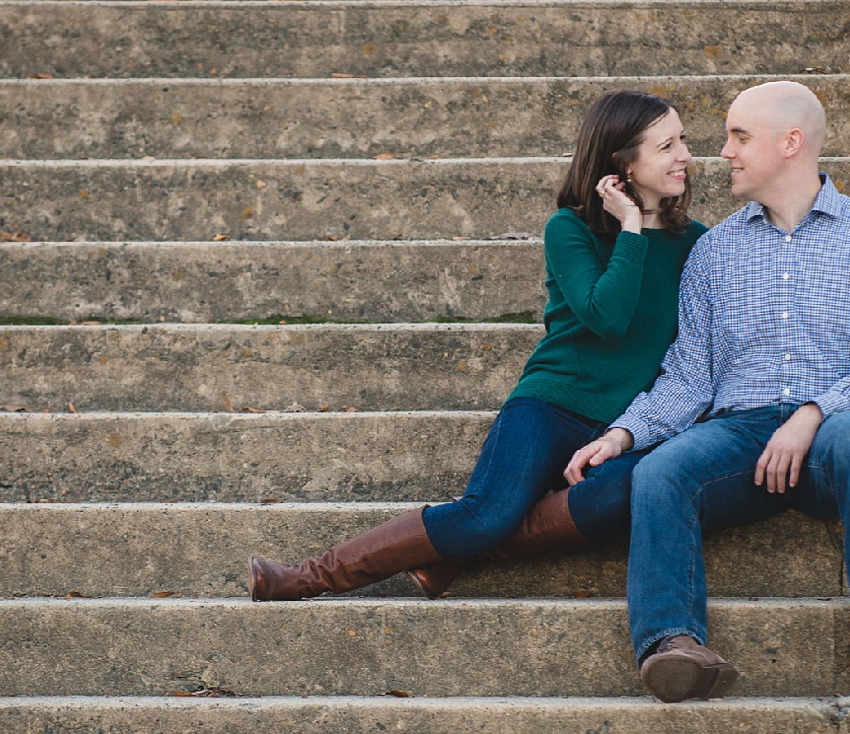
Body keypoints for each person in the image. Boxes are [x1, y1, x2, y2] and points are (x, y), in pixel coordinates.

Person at [250, 89, 708, 601]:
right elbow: (606, 318)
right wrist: (631, 226)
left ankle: (453, 556)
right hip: (554, 403)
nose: (686, 155)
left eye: (683, 140)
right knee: (486, 514)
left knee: (616, 499)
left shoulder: (696, 242)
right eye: (667, 145)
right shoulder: (570, 228)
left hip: (632, 421)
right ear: (621, 162)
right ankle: (314, 575)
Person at [565, 80, 850, 703]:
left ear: (791, 143)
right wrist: (625, 432)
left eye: (739, 137)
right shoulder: (714, 252)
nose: (723, 153)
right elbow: (690, 376)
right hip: (738, 437)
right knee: (661, 472)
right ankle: (672, 644)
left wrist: (815, 412)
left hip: (833, 436)